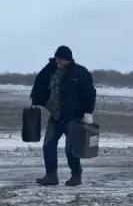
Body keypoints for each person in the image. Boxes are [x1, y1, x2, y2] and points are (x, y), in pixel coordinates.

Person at [30, 45, 96, 186]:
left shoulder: (80, 72)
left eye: (60, 59)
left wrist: (88, 113)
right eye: (56, 58)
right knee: (48, 145)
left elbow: (90, 93)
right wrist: (36, 101)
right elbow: (40, 83)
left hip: (74, 117)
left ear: (67, 59)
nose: (58, 61)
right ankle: (51, 176)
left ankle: (76, 175)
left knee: (71, 149)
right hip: (56, 116)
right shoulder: (51, 70)